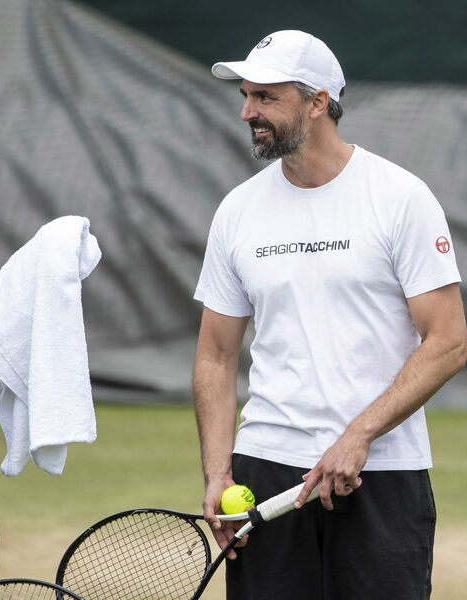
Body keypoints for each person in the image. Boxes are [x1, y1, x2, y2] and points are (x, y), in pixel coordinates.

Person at [193, 30, 467, 600]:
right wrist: (218, 472)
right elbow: (215, 356)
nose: (247, 112)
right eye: (246, 96)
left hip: (381, 474)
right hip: (265, 472)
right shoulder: (237, 210)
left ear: (318, 102)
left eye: (265, 97)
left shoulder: (400, 197)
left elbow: (448, 341)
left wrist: (359, 434)